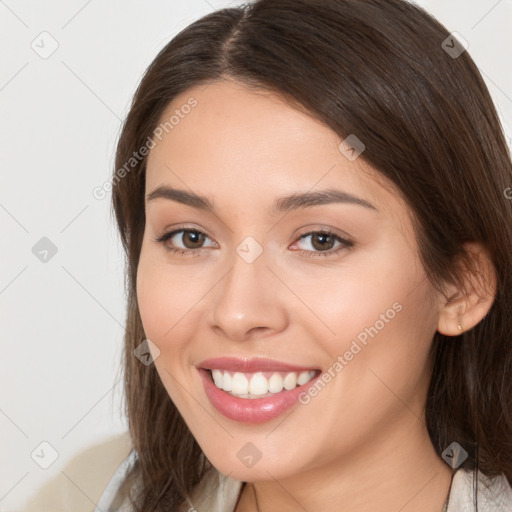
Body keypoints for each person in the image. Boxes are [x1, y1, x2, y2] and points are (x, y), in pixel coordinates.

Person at [96, 0, 512, 510]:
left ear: (461, 287)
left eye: (321, 240)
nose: (237, 313)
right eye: (190, 237)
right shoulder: (95, 490)